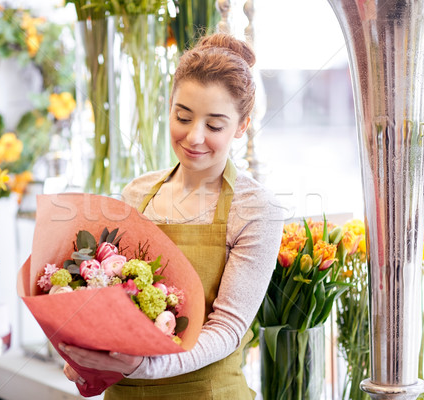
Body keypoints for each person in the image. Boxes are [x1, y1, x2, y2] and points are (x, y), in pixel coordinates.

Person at [60, 33, 284, 399]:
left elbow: (227, 328)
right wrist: (86, 355)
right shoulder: (137, 193)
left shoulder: (255, 209)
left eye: (214, 126)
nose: (194, 137)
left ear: (241, 126)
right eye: (183, 116)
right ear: (169, 107)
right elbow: (110, 297)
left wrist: (143, 365)